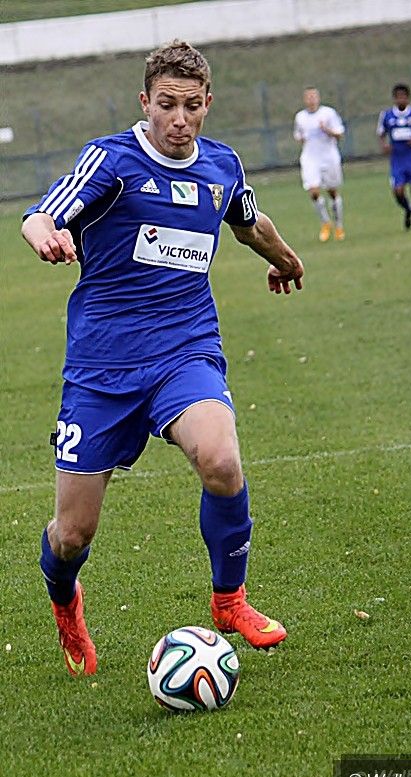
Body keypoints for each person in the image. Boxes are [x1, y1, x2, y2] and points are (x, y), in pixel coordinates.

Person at [21, 40, 304, 677]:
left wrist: (284, 258)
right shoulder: (112, 161)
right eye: (167, 105)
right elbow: (40, 215)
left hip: (184, 349)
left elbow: (248, 223)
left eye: (192, 106)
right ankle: (65, 599)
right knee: (72, 534)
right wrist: (47, 237)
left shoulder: (222, 166)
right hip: (102, 368)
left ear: (208, 103)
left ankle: (230, 600)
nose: (180, 119)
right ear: (145, 101)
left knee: (221, 458)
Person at [376, 83, 411, 232]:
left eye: (403, 97)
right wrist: (384, 145)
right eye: (398, 97)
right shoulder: (387, 115)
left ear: (408, 98)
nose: (401, 100)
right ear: (394, 99)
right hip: (397, 158)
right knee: (398, 191)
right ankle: (408, 209)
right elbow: (381, 133)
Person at [293, 87, 345, 242]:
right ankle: (325, 223)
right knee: (313, 191)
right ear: (305, 100)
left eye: (313, 96)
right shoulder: (300, 117)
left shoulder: (328, 113)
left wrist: (326, 130)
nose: (311, 100)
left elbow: (339, 134)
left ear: (318, 98)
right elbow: (299, 136)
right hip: (310, 158)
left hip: (329, 157)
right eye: (308, 97)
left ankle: (339, 225)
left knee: (332, 192)